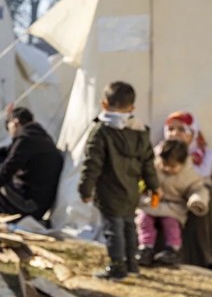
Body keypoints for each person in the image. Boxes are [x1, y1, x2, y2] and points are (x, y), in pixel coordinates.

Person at [78, 81, 160, 280]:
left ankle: (117, 267)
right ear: (132, 107)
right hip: (131, 190)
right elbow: (148, 163)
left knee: (113, 230)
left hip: (109, 191)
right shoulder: (140, 131)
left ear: (104, 104)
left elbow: (92, 164)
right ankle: (132, 265)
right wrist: (153, 187)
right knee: (129, 226)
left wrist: (85, 189)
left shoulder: (101, 131)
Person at [0, 106, 63, 222]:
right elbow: (7, 151)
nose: (10, 134)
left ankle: (10, 217)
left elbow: (3, 174)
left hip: (29, 207)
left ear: (15, 122)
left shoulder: (25, 140)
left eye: (9, 128)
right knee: (1, 159)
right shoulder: (41, 137)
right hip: (40, 206)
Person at [136, 139, 209, 266]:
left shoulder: (189, 174)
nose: (167, 169)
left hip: (173, 206)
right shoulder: (151, 167)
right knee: (144, 220)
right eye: (163, 164)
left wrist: (197, 200)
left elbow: (197, 188)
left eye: (173, 167)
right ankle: (145, 247)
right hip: (151, 202)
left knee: (171, 224)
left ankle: (172, 249)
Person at [160, 111, 212, 267]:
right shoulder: (161, 152)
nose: (175, 133)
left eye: (182, 129)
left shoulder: (203, 155)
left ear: (192, 133)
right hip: (168, 196)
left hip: (194, 195)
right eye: (171, 129)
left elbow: (201, 177)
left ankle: (202, 258)